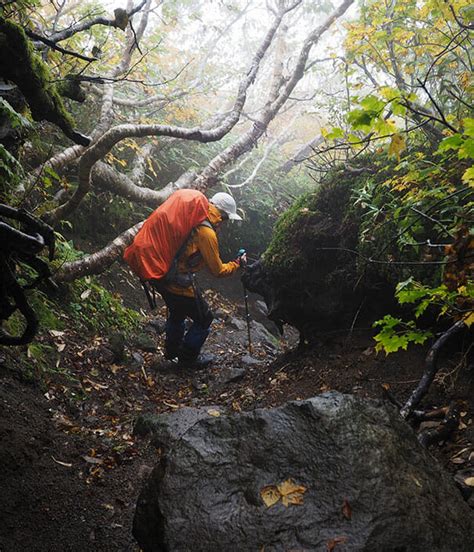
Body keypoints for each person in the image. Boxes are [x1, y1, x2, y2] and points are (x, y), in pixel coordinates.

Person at [154, 192, 246, 368]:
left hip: (165, 276)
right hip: (179, 284)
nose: (225, 223)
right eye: (226, 218)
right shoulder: (206, 232)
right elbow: (217, 270)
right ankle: (187, 359)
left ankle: (172, 352)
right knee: (205, 318)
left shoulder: (194, 217)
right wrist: (236, 264)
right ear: (223, 215)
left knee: (177, 314)